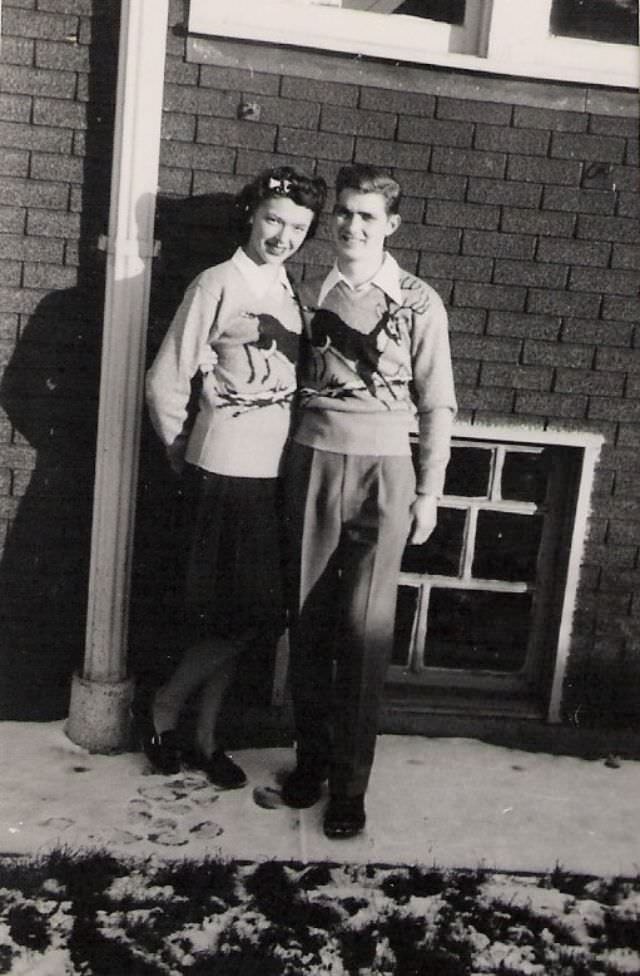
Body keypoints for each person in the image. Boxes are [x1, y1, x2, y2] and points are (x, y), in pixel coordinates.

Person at [282, 163, 457, 837]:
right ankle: (311, 762)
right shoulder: (305, 289)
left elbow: (438, 401)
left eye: (367, 215)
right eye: (345, 214)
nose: (352, 226)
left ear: (392, 225)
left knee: (364, 632)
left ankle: (350, 788)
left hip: (386, 472)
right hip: (313, 461)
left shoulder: (418, 300)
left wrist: (431, 491)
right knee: (309, 622)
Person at [142, 166, 327, 788]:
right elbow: (165, 380)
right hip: (222, 470)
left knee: (244, 614)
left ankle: (203, 735)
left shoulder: (292, 295)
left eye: (298, 227)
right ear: (251, 215)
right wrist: (181, 449)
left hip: (272, 475)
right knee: (235, 613)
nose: (283, 236)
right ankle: (167, 710)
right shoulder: (216, 283)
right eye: (274, 220)